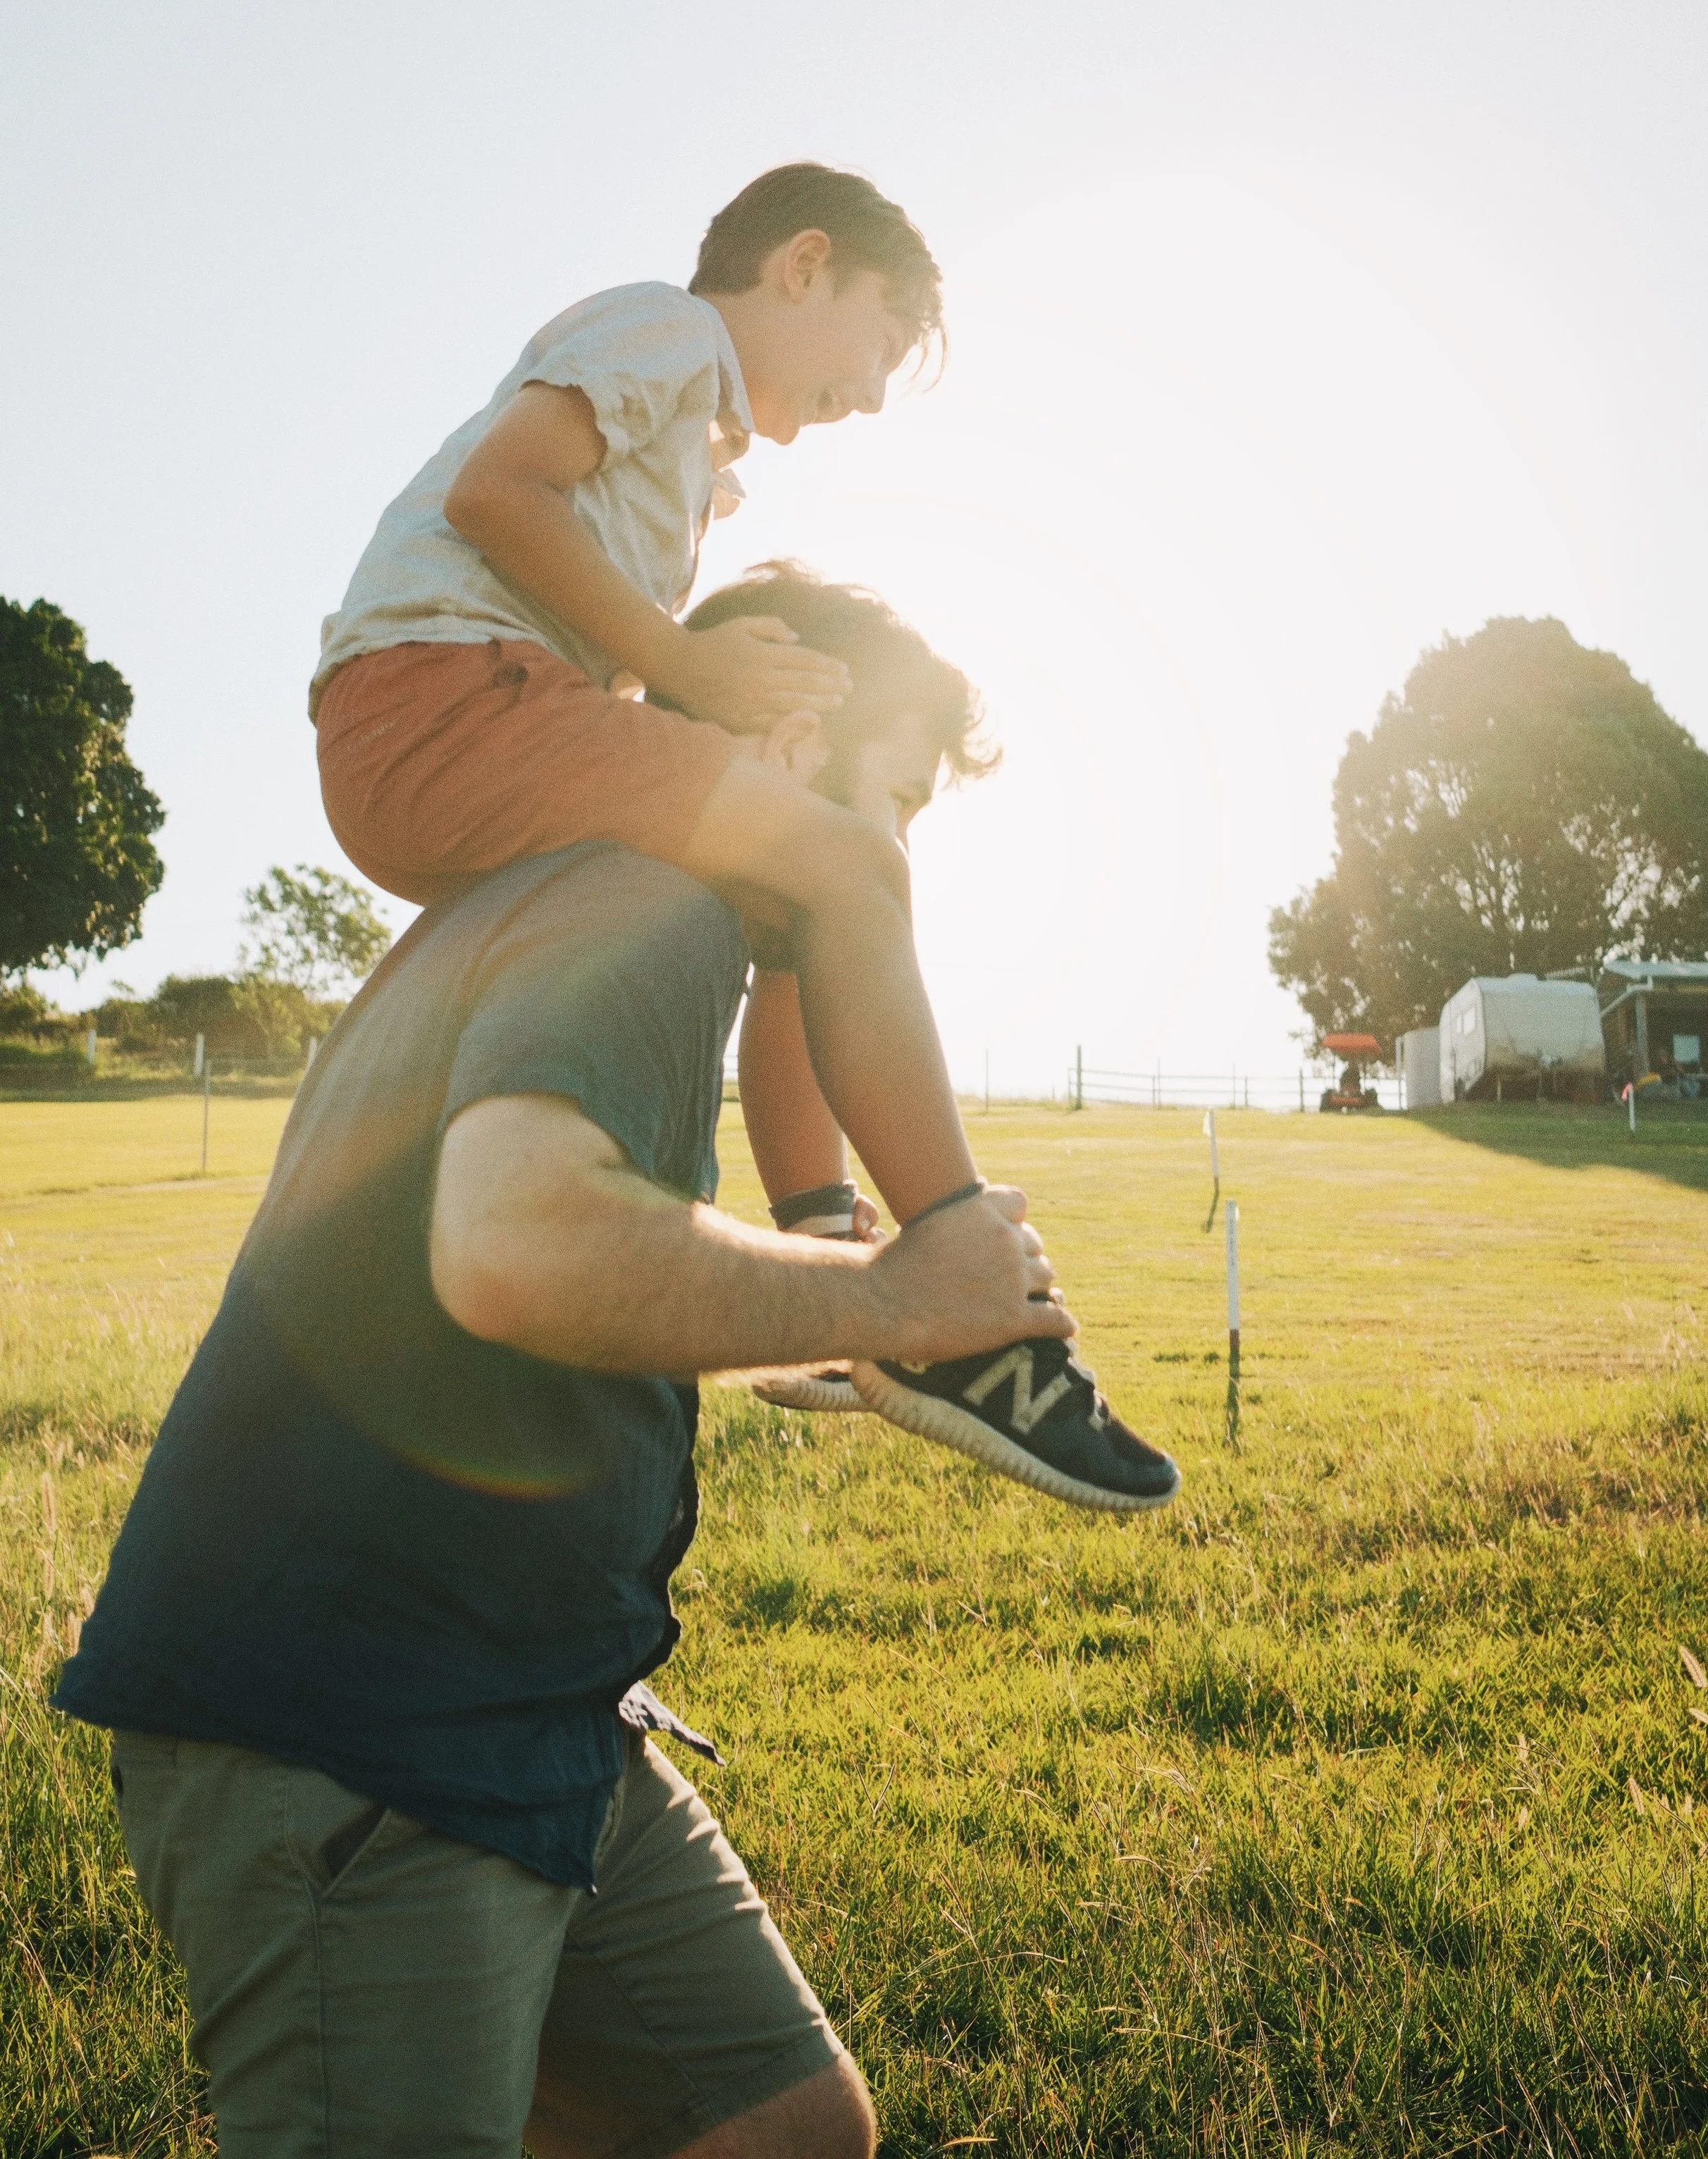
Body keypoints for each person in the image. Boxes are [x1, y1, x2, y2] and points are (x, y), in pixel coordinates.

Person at [55, 573, 1168, 2159]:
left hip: (535, 1701)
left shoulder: (619, 908)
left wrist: (830, 1276)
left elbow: (570, 1284)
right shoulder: (641, 904)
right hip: (350, 1723)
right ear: (788, 741)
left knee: (777, 2124)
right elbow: (516, 1250)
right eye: (897, 801)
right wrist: (891, 1298)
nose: (894, 863)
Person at [308, 163, 1165, 1507]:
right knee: (855, 864)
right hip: (441, 696)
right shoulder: (667, 331)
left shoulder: (699, 456)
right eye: (881, 342)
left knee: (792, 901)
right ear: (804, 263)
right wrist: (690, 678)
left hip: (464, 718)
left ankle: (827, 1233)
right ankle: (973, 1298)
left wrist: (702, 738)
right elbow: (496, 494)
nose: (873, 395)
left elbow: (591, 630)